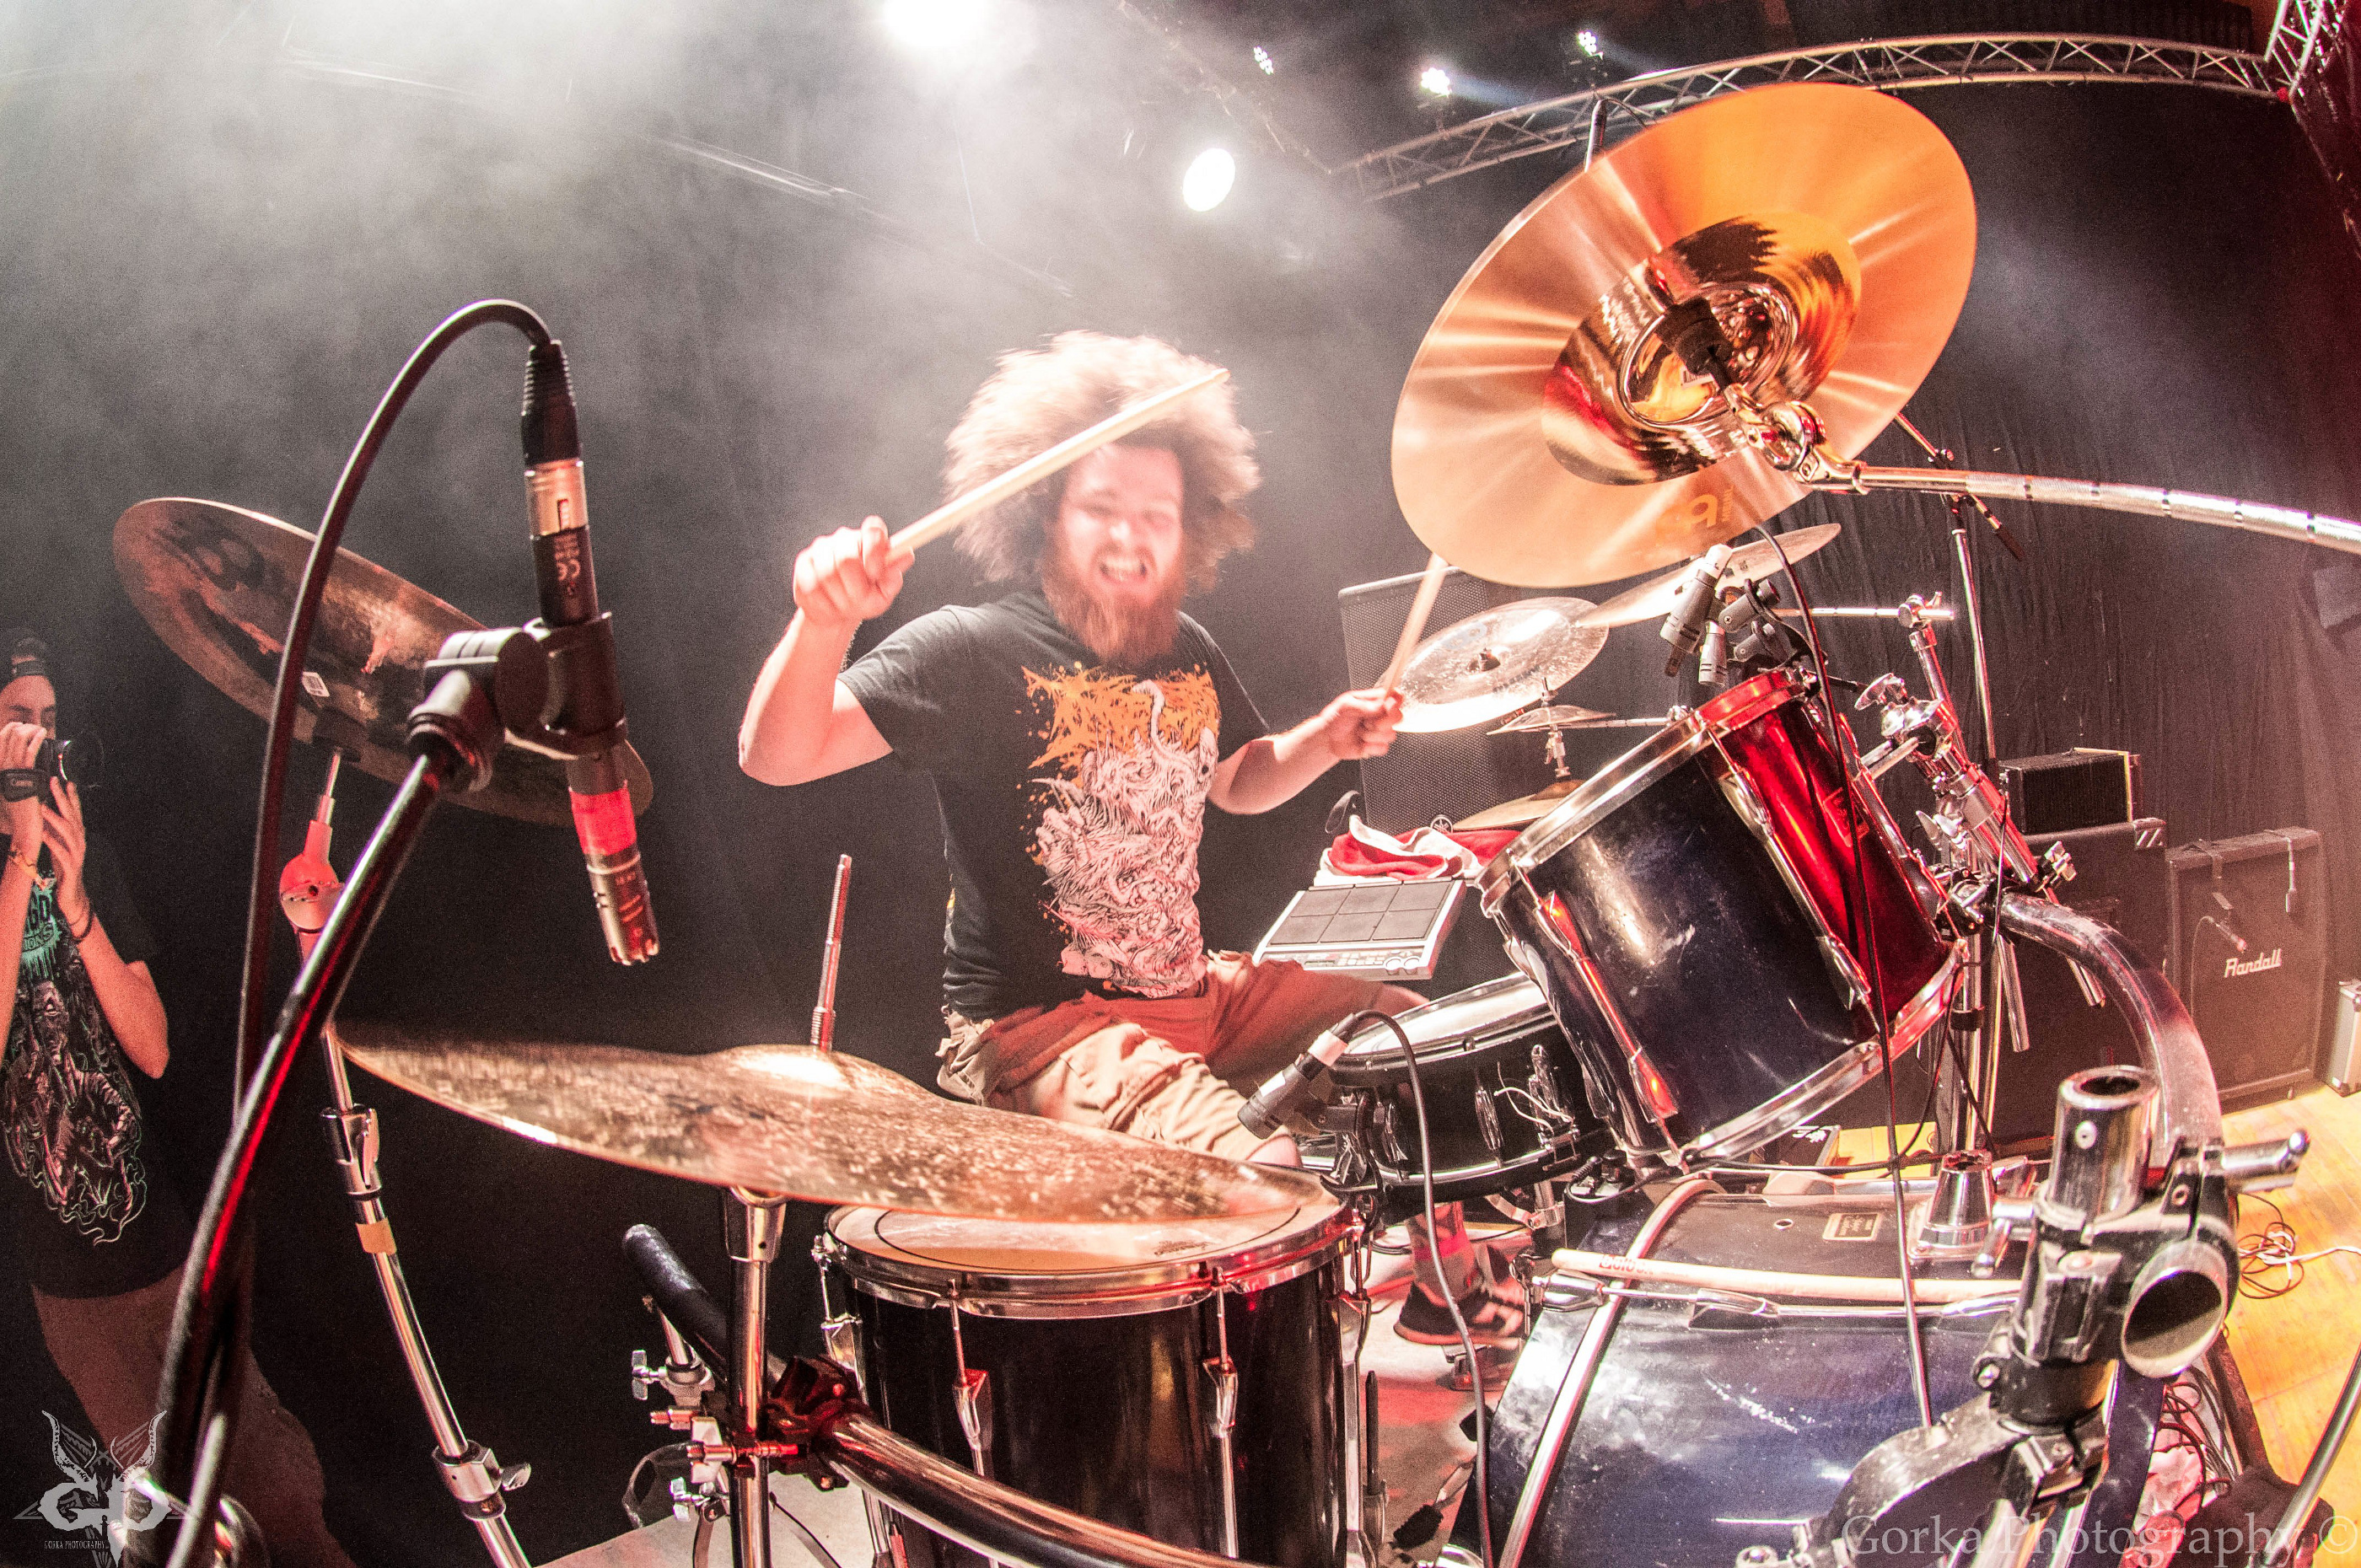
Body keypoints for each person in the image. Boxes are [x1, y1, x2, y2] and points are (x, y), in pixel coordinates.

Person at [739, 334, 1521, 1346]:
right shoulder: (972, 648)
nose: (1130, 538)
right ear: (1045, 516)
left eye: (1156, 516)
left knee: (1415, 1045)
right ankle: (1260, 1394)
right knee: (1265, 1180)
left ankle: (1441, 1283)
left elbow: (1235, 781)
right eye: (1100, 509)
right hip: (1043, 1030)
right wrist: (821, 623)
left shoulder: (1185, 648)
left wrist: (1325, 740)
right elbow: (777, 755)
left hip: (1194, 996)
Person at [0, 631, 358, 1568]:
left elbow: (153, 1049)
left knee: (281, 1492)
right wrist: (18, 859)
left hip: (167, 1253)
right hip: (72, 1296)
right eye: (18, 722)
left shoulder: (90, 859)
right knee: (184, 1530)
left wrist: (77, 899)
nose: (40, 741)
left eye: (48, 721)